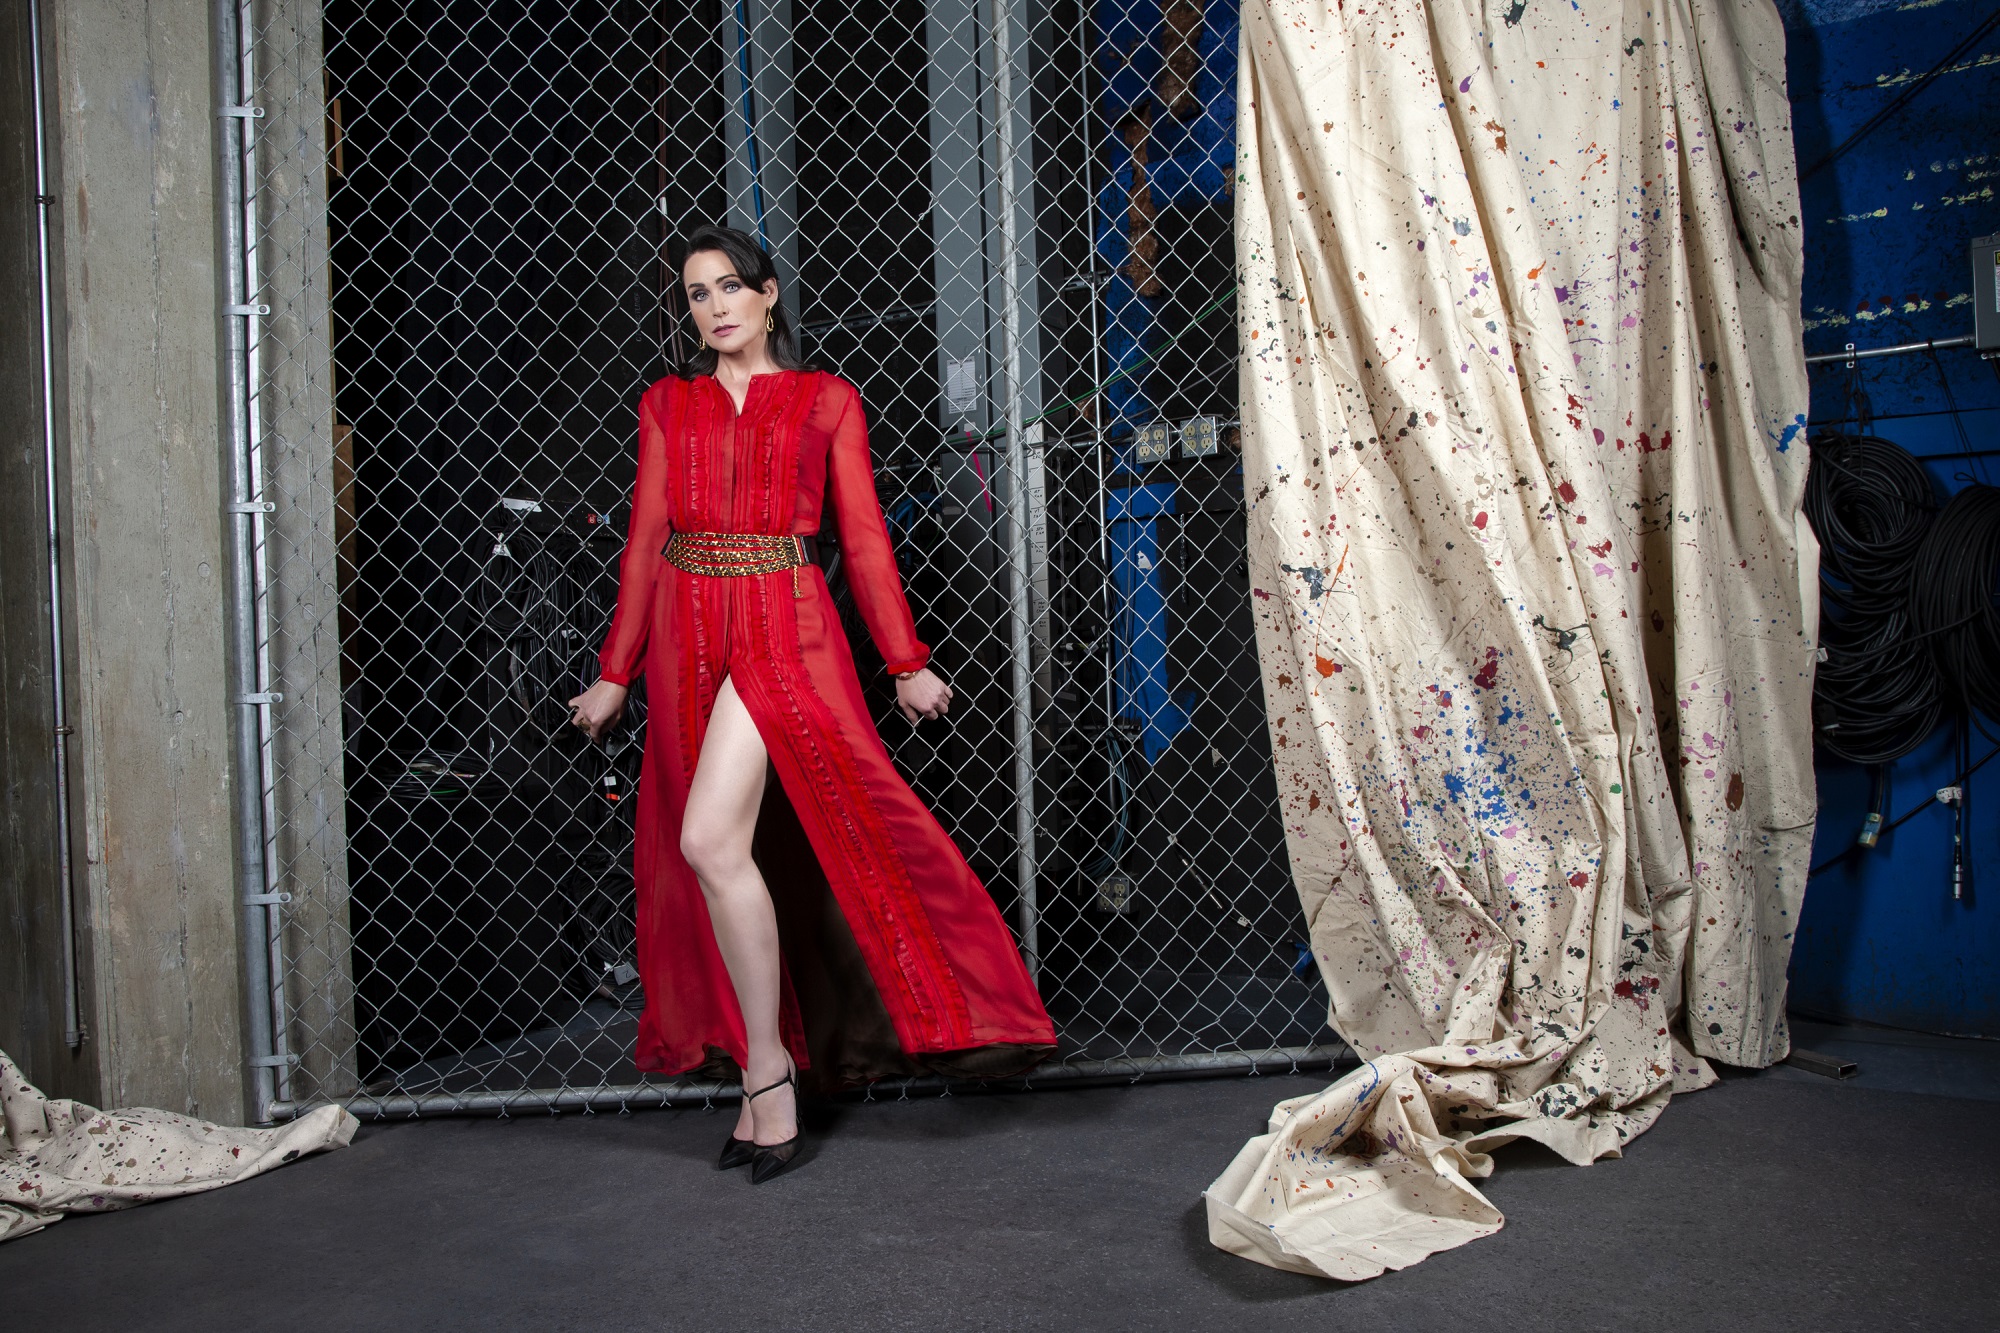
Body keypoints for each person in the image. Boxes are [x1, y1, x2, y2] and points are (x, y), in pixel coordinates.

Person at [567, 225, 1055, 1184]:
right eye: (696, 294)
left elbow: (866, 538)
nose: (713, 306)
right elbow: (643, 541)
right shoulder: (667, 404)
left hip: (785, 627)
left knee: (710, 840)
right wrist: (615, 671)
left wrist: (905, 659)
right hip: (686, 631)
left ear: (770, 293)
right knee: (716, 848)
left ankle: (771, 1072)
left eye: (729, 287)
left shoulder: (828, 400)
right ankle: (762, 1061)